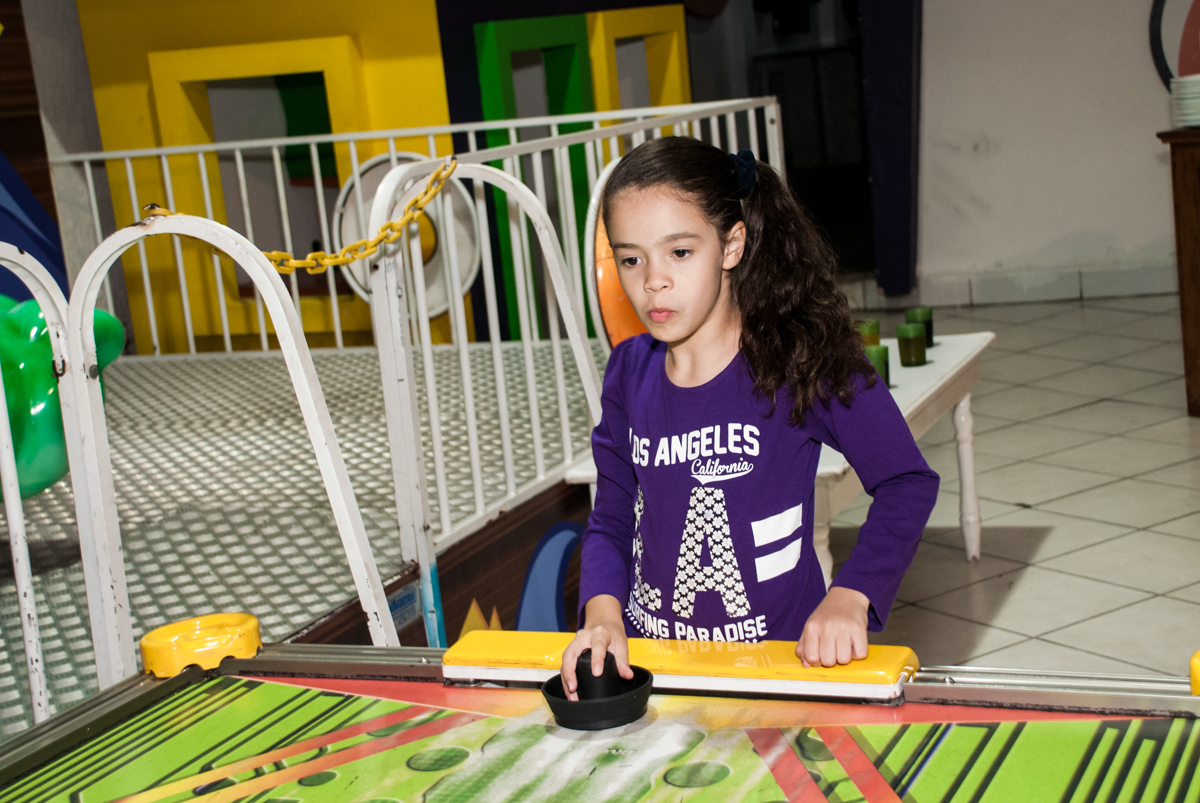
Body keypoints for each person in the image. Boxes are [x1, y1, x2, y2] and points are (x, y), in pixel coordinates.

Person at [559, 136, 939, 700]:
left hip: (779, 673)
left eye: (679, 253)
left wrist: (850, 594)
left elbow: (907, 481)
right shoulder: (626, 373)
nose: (652, 280)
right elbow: (612, 517)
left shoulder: (800, 359)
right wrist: (603, 615)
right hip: (658, 675)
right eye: (631, 258)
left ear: (731, 245)